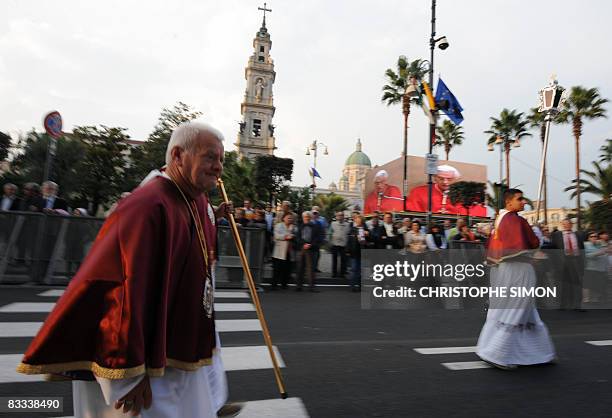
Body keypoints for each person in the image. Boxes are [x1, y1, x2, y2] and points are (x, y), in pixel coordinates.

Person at [17, 122, 235, 417]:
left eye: (221, 159)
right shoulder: (147, 207)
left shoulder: (192, 199)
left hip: (174, 355)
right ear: (178, 156)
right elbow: (120, 288)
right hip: (139, 372)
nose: (218, 167)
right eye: (210, 157)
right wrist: (127, 376)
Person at [476, 188, 556, 370]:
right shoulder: (514, 219)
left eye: (523, 199)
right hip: (518, 269)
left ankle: (540, 353)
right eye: (519, 199)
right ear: (509, 202)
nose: (523, 202)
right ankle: (496, 353)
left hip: (508, 269)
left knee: (526, 310)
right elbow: (531, 244)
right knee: (516, 308)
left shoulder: (501, 219)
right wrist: (536, 235)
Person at [406, 165, 487, 216]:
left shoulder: (463, 195)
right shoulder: (419, 192)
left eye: (449, 179)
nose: (445, 182)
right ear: (435, 178)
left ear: (455, 179)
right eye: (441, 178)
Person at [551, 218, 585, 309]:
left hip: (575, 260)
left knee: (576, 284)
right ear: (562, 225)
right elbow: (552, 249)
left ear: (571, 225)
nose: (566, 225)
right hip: (562, 262)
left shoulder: (578, 235)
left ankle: (577, 305)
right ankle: (562, 304)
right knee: (563, 284)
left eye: (568, 224)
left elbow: (582, 249)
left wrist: (583, 264)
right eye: (564, 224)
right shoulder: (556, 235)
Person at [296, 211, 322, 292]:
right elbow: (298, 238)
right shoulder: (300, 226)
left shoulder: (315, 227)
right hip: (302, 248)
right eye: (305, 217)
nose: (306, 218)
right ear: (303, 218)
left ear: (310, 218)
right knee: (300, 268)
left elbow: (318, 238)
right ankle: (299, 286)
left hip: (311, 249)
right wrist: (303, 244)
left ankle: (311, 287)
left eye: (308, 217)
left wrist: (310, 244)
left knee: (310, 269)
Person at [271, 212, 296, 289]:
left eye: (291, 218)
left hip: (289, 251)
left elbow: (296, 235)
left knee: (287, 269)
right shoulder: (278, 225)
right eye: (288, 218)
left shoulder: (294, 227)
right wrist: (286, 237)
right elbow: (276, 236)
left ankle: (284, 284)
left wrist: (293, 236)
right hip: (279, 251)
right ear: (284, 218)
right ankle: (274, 285)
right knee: (277, 269)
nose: (290, 219)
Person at [583, 231, 608, 305]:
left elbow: (606, 251)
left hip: (600, 268)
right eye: (592, 236)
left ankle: (595, 298)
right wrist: (598, 253)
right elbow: (586, 256)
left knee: (597, 284)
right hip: (589, 268)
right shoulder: (585, 245)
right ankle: (586, 299)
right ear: (588, 238)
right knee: (586, 284)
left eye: (595, 236)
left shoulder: (600, 244)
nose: (594, 238)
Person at [347, 214, 370, 292]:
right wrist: (348, 251)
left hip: (363, 252)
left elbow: (370, 240)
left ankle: (360, 286)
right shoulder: (352, 229)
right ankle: (352, 286)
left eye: (360, 220)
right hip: (354, 252)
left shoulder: (366, 230)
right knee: (353, 269)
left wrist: (368, 235)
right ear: (355, 221)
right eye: (357, 220)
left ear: (362, 221)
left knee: (361, 270)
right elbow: (349, 241)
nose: (358, 221)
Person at [328, 211, 350, 278]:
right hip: (335, 244)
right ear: (336, 217)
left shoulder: (347, 225)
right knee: (334, 259)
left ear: (343, 216)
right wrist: (330, 242)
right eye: (339, 215)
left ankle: (342, 274)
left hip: (343, 244)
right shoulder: (333, 224)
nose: (340, 217)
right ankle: (334, 273)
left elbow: (349, 234)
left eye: (341, 215)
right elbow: (329, 233)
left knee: (343, 260)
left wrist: (348, 244)